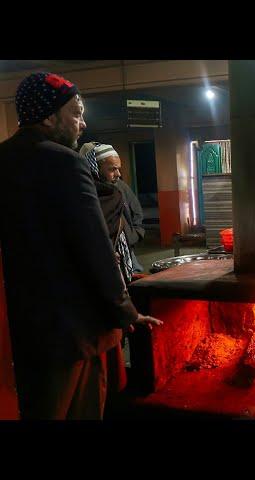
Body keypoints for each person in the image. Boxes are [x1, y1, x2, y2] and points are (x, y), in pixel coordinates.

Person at [0, 72, 162, 420]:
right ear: (49, 115)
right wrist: (126, 311)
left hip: (23, 328)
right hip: (73, 331)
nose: (82, 123)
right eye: (76, 113)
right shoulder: (64, 162)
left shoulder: (4, 159)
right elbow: (94, 248)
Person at [79, 142, 145, 275]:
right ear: (95, 167)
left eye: (118, 169)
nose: (118, 174)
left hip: (127, 253)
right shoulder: (84, 193)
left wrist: (134, 235)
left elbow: (136, 211)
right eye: (112, 169)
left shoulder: (120, 187)